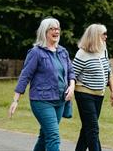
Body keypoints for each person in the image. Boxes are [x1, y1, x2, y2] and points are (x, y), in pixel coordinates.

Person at [8, 17, 76, 151]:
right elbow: (25, 76)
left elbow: (71, 72)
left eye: (58, 28)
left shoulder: (62, 52)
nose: (56, 31)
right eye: (52, 28)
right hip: (42, 101)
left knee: (45, 136)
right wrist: (15, 100)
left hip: (60, 100)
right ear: (45, 32)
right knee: (53, 136)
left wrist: (72, 86)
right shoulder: (36, 52)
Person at [73, 23, 113, 151]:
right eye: (104, 34)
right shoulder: (82, 53)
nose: (106, 37)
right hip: (84, 94)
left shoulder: (103, 50)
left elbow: (108, 71)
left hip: (99, 95)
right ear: (95, 36)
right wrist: (68, 92)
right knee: (93, 128)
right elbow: (72, 74)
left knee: (87, 128)